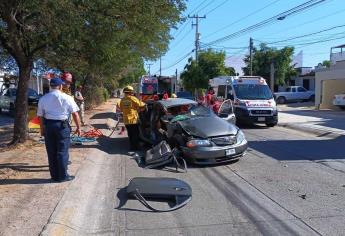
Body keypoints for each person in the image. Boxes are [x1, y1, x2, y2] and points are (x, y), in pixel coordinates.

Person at [37, 77, 81, 182]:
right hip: (62, 126)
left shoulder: (43, 98)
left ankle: (54, 176)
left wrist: (42, 129)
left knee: (51, 151)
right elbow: (75, 114)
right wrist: (79, 127)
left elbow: (40, 116)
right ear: (61, 86)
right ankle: (63, 176)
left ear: (51, 86)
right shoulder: (67, 98)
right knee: (62, 151)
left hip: (49, 126)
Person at [119, 85, 145, 150]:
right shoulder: (132, 98)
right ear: (130, 92)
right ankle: (136, 147)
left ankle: (132, 147)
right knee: (135, 134)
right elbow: (140, 104)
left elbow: (122, 109)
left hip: (126, 120)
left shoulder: (122, 100)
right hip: (133, 120)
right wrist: (144, 105)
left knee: (130, 134)